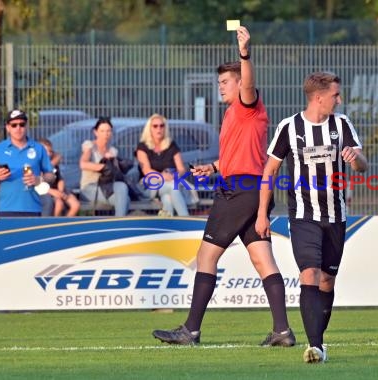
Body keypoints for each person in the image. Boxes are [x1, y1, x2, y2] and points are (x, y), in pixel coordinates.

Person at [152, 26, 295, 347]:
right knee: (263, 262)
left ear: (241, 83)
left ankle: (190, 330)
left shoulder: (248, 103)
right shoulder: (235, 113)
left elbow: (250, 83)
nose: (220, 85)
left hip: (238, 192)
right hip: (250, 189)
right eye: (219, 81)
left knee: (205, 257)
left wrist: (244, 53)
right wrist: (214, 166)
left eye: (225, 81)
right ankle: (282, 331)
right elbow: (244, 154)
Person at [256, 71, 368, 363]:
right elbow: (269, 171)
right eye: (335, 95)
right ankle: (315, 345)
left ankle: (319, 341)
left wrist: (356, 158)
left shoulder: (341, 124)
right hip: (303, 216)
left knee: (327, 281)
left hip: (335, 215)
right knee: (309, 273)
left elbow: (363, 165)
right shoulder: (289, 127)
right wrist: (261, 215)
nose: (339, 99)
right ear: (319, 98)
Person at [0, 109, 55, 216]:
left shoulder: (38, 148)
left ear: (26, 126)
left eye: (21, 124)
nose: (18, 128)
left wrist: (38, 179)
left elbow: (51, 175)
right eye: (14, 125)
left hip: (33, 208)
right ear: (8, 128)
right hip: (6, 209)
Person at [135, 114, 190, 216]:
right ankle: (187, 219)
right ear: (149, 129)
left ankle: (168, 226)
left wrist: (174, 176)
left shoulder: (171, 145)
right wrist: (163, 176)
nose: (159, 128)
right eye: (155, 126)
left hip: (169, 184)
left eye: (162, 125)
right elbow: (146, 170)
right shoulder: (142, 147)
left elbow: (182, 169)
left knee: (167, 198)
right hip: (149, 186)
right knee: (172, 186)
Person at [79, 117, 130, 217]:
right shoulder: (89, 146)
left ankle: (117, 225)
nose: (105, 134)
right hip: (90, 187)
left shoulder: (113, 151)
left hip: (107, 186)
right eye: (102, 131)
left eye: (108, 131)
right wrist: (103, 166)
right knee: (124, 197)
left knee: (123, 193)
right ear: (96, 132)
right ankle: (120, 226)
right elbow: (83, 164)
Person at [39, 138, 80, 217]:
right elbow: (38, 184)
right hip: (47, 191)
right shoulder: (38, 164)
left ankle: (66, 225)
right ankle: (55, 224)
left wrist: (61, 192)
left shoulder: (54, 163)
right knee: (59, 204)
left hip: (58, 189)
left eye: (50, 151)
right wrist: (55, 193)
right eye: (45, 151)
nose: (48, 154)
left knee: (75, 204)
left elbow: (60, 179)